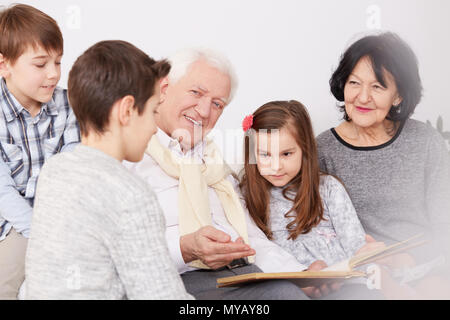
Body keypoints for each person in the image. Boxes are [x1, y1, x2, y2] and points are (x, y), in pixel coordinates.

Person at [125, 48, 311, 300]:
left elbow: (249, 238)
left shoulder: (215, 166)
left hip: (243, 275)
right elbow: (116, 253)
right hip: (175, 282)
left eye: (217, 104)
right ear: (164, 88)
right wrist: (185, 249)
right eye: (196, 93)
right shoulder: (128, 157)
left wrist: (302, 273)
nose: (203, 111)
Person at [25, 40, 193, 300]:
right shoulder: (130, 194)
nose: (152, 128)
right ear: (126, 110)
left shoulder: (55, 170)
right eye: (152, 111)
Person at [316, 32, 450, 299]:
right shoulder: (322, 150)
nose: (363, 97)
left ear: (398, 95)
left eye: (377, 87)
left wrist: (406, 259)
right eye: (354, 83)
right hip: (360, 274)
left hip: (425, 265)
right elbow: (317, 228)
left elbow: (445, 225)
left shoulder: (424, 142)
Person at [239, 100, 384, 299]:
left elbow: (355, 246)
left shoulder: (328, 188)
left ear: (304, 149)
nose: (276, 166)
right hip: (292, 289)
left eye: (286, 154)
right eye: (265, 155)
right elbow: (258, 254)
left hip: (346, 286)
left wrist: (368, 256)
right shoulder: (245, 196)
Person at [0, 4, 80, 299]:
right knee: (5, 281)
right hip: (15, 223)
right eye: (40, 64)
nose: (53, 74)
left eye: (58, 62)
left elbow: (71, 174)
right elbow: (4, 193)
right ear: (3, 65)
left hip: (59, 217)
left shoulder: (68, 106)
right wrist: (40, 235)